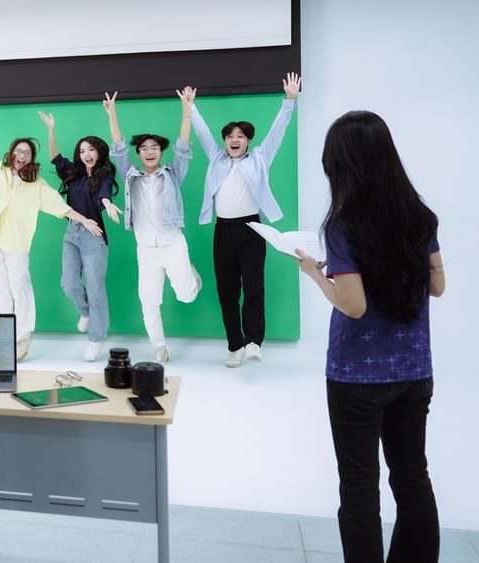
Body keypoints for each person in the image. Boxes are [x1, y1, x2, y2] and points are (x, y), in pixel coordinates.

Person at [296, 110, 444, 563]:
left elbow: (354, 305)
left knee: (359, 488)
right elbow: (437, 286)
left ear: (342, 164)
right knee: (412, 478)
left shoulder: (344, 226)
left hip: (356, 376)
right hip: (414, 371)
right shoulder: (420, 216)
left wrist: (316, 274)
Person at [0, 103, 101, 361]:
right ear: (11, 154)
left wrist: (86, 220)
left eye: (27, 153)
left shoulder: (37, 185)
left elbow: (62, 207)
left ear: (31, 159)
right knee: (1, 292)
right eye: (18, 151)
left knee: (19, 288)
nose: (22, 155)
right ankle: (5, 336)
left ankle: (23, 335)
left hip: (17, 245)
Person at [190, 72, 301, 367]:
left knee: (253, 288)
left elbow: (277, 132)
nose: (234, 140)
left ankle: (253, 342)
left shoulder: (260, 159)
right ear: (225, 141)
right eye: (230, 136)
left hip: (252, 229)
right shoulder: (216, 158)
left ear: (248, 141)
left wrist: (289, 100)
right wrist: (191, 108)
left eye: (240, 136)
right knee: (227, 293)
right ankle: (235, 345)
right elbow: (202, 133)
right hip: (224, 231)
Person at [102, 88, 202, 364]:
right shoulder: (130, 174)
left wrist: (186, 111)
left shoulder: (173, 173)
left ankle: (191, 278)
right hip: (145, 250)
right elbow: (118, 146)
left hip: (173, 244)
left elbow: (183, 146)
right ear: (138, 154)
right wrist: (112, 114)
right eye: (144, 149)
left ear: (161, 152)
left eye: (154, 148)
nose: (149, 152)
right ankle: (159, 348)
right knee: (148, 302)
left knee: (186, 296)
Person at [37, 110, 121, 361]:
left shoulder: (105, 173)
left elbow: (105, 192)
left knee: (96, 289)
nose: (87, 154)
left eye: (91, 149)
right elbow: (55, 157)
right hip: (72, 233)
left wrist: (108, 203)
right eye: (83, 150)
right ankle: (86, 313)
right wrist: (51, 130)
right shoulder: (73, 173)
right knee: (69, 283)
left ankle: (97, 337)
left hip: (94, 235)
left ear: (99, 152)